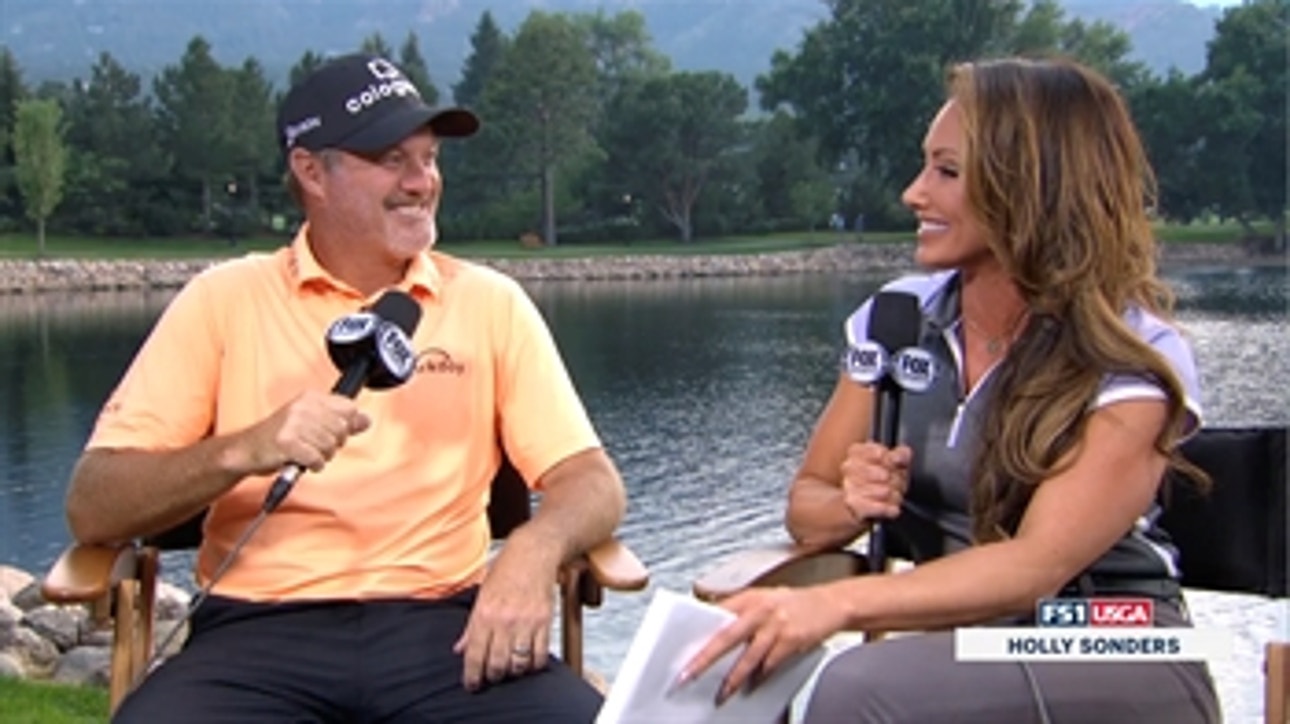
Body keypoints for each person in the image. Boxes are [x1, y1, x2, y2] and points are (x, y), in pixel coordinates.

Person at [63, 52, 626, 723]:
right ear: (311, 171)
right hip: (256, 636)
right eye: (392, 159)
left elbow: (592, 480)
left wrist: (534, 552)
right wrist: (244, 448)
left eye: (430, 158)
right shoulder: (222, 301)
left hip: (447, 633)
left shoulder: (490, 304)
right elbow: (93, 506)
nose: (423, 182)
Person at [679, 57, 1221, 723]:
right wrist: (854, 504)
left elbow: (1034, 569)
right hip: (965, 646)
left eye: (947, 171)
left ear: (1031, 187)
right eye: (924, 165)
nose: (913, 193)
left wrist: (833, 603)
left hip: (1115, 630)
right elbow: (808, 503)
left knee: (857, 687)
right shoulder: (897, 320)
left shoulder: (1131, 356)